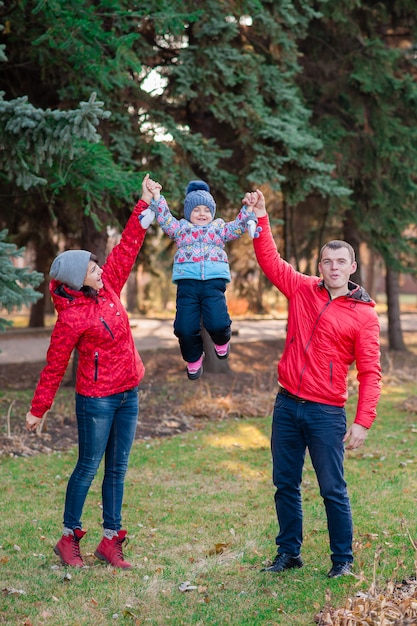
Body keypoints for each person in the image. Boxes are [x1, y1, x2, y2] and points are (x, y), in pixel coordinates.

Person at [244, 188, 381, 578]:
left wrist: (362, 421)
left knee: (331, 489)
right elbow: (270, 260)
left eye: (341, 261)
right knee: (284, 484)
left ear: (352, 267)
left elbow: (370, 372)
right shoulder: (302, 289)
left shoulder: (364, 316)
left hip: (325, 412)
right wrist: (262, 217)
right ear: (319, 265)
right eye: (327, 261)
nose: (333, 267)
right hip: (287, 405)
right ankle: (289, 552)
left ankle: (342, 560)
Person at [25, 174, 160, 569]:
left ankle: (109, 540)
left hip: (128, 393)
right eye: (92, 268)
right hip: (97, 401)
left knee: (117, 469)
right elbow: (54, 366)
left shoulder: (109, 287)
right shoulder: (71, 319)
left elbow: (128, 247)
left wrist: (143, 203)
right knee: (88, 466)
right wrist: (39, 408)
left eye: (97, 265)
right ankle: (68, 539)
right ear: (75, 281)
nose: (100, 268)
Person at [140, 179, 258, 380]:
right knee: (184, 328)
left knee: (218, 323)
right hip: (188, 286)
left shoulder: (219, 228)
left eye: (206, 210)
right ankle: (194, 358)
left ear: (212, 213)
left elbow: (238, 227)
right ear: (188, 213)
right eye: (196, 210)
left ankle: (222, 341)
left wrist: (247, 209)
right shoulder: (181, 229)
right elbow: (165, 218)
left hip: (213, 284)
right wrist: (158, 197)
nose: (202, 214)